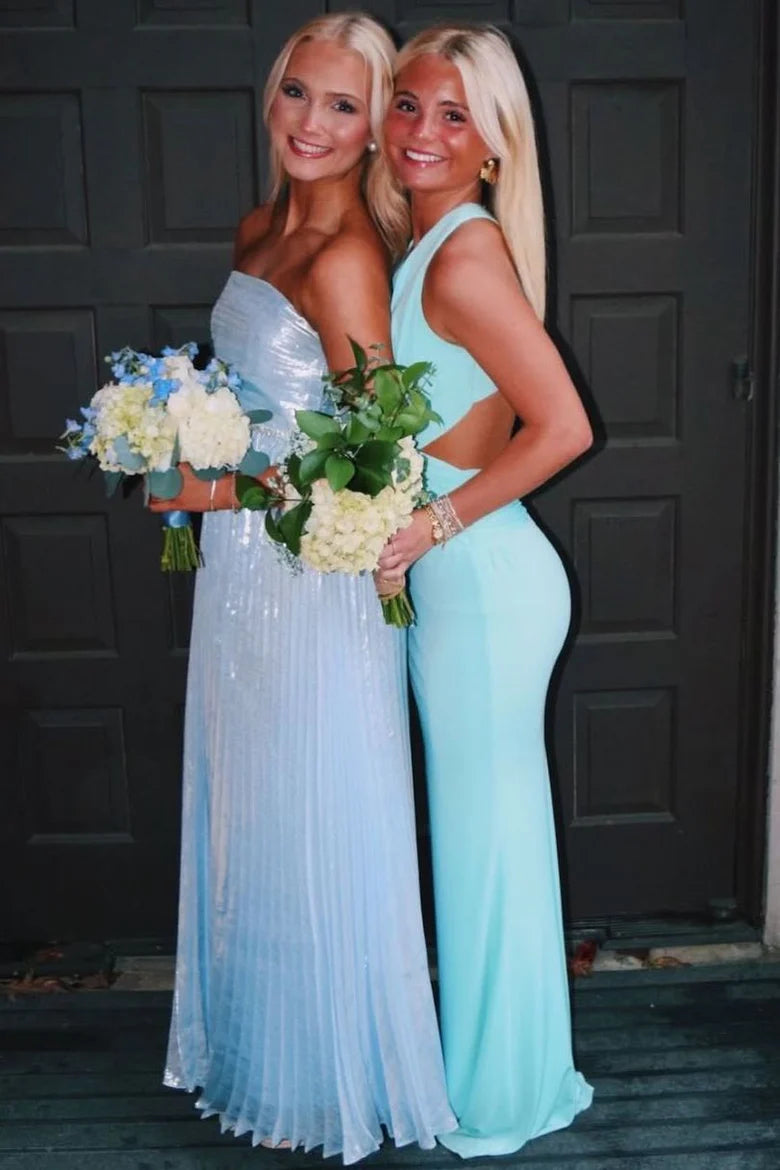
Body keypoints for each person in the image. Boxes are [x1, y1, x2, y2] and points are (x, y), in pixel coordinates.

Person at [151, 14, 455, 1162]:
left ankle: (323, 1078)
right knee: (249, 806)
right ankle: (255, 1054)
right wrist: (177, 441)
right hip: (236, 577)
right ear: (271, 96)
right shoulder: (256, 229)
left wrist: (219, 489)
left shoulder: (345, 259)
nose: (311, 123)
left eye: (341, 104)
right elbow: (253, 404)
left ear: (375, 127)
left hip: (311, 582)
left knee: (315, 807)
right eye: (297, 93)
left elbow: (377, 461)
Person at [376, 23, 594, 1158]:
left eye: (456, 115)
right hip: (467, 589)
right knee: (485, 842)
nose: (423, 131)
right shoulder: (430, 246)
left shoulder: (461, 257)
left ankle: (502, 1096)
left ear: (496, 143)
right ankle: (506, 1074)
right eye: (409, 104)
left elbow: (564, 428)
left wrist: (432, 522)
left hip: (488, 586)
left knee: (489, 844)